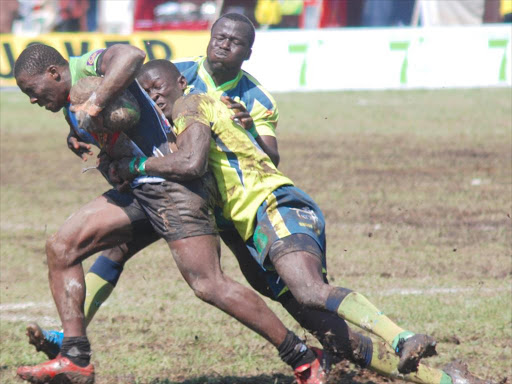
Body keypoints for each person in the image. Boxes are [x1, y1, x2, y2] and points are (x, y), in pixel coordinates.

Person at [113, 57, 493, 384]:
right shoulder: (197, 113)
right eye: (147, 92)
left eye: (158, 85)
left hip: (273, 204)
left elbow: (191, 162)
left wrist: (134, 165)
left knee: (310, 291)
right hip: (257, 226)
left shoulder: (190, 104)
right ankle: (445, 379)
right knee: (336, 337)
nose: (155, 95)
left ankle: (402, 337)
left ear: (181, 82)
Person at [13, 43, 329, 384]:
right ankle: (75, 358)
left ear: (54, 73)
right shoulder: (69, 103)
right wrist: (88, 144)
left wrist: (97, 100)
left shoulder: (88, 67)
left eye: (32, 90)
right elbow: (112, 138)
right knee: (62, 248)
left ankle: (303, 357)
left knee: (208, 284)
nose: (32, 99)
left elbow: (131, 54)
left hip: (171, 186)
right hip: (139, 188)